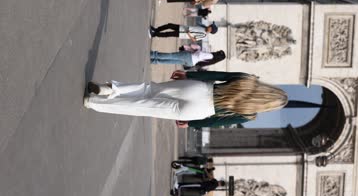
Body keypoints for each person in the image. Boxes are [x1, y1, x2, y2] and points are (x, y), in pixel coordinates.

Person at [83, 70, 288, 128]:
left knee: (148, 89)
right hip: (200, 110)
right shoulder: (248, 115)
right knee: (142, 107)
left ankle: (109, 89)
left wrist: (191, 76)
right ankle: (94, 102)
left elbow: (218, 75)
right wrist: (192, 124)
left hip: (200, 89)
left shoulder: (248, 79)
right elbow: (216, 122)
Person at [150, 46, 226, 68]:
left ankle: (153, 55)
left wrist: (198, 50)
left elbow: (199, 54)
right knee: (172, 61)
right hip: (191, 63)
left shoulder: (210, 55)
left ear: (218, 54)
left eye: (218, 52)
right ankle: (154, 61)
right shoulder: (212, 61)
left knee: (171, 56)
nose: (217, 51)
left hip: (190, 57)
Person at [149, 22, 217, 42]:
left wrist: (188, 34)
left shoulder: (204, 35)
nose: (210, 25)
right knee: (169, 25)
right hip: (182, 27)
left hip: (182, 34)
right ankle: (156, 30)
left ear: (211, 30)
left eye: (211, 26)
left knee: (168, 34)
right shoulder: (204, 26)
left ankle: (154, 34)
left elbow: (194, 39)